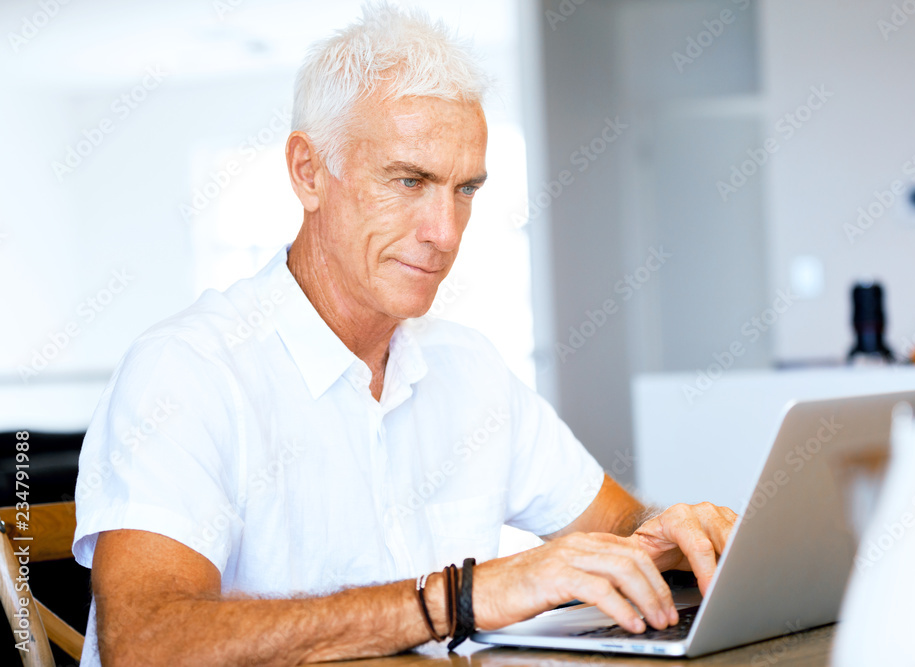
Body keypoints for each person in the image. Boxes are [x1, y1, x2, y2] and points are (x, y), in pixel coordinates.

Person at [72, 3, 736, 665]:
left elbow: (620, 527)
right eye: (409, 180)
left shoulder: (467, 367)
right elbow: (148, 643)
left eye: (465, 189)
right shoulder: (185, 372)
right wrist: (459, 598)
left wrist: (680, 535)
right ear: (308, 172)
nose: (444, 233)